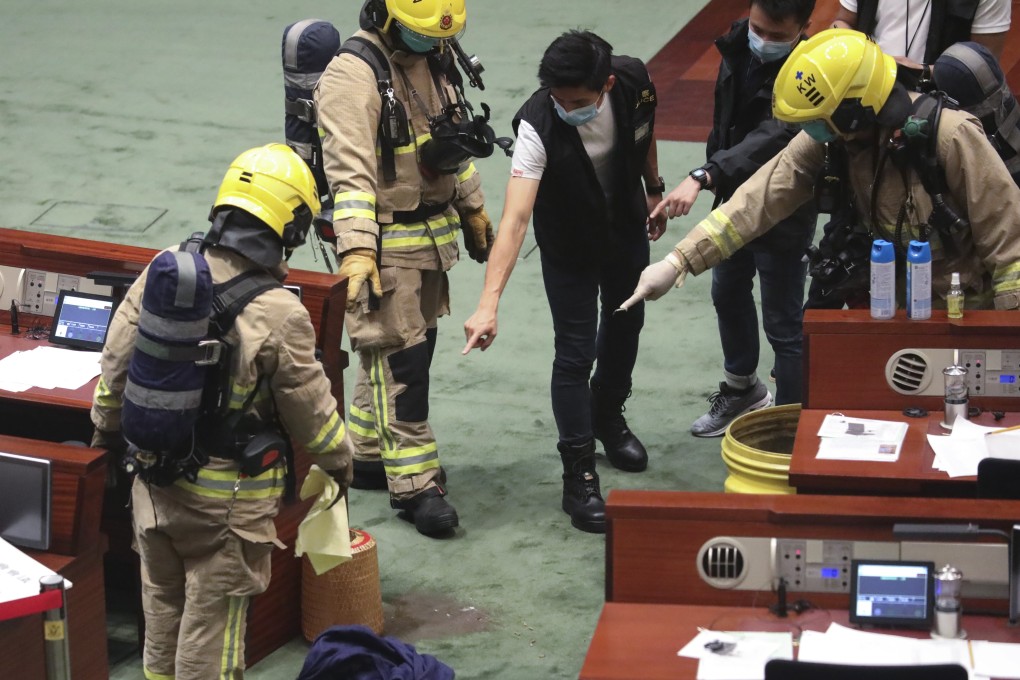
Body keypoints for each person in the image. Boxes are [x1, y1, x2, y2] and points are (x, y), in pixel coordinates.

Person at [90, 143, 355, 680]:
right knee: (213, 644)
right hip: (227, 512)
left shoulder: (165, 270)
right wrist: (341, 462)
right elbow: (312, 414)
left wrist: (104, 435)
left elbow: (114, 368)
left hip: (152, 488)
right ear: (290, 224)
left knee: (162, 617)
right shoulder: (281, 312)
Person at [623, 29, 1020, 317]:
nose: (809, 132)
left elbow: (1010, 248)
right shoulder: (833, 138)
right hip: (895, 304)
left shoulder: (950, 136)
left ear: (854, 111)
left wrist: (1002, 333)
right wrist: (678, 262)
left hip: (966, 309)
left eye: (815, 121)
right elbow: (759, 199)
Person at [462, 30, 665, 533]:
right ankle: (579, 476)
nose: (566, 107)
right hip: (568, 245)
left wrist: (654, 187)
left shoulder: (634, 81)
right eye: (559, 98)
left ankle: (608, 415)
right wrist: (488, 304)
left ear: (607, 84)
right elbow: (513, 220)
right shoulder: (536, 124)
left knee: (627, 323)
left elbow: (643, 131)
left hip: (624, 226)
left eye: (578, 101)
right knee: (574, 353)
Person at [315, 0, 496, 537]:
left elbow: (452, 140)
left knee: (407, 349)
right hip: (386, 241)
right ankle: (415, 484)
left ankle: (368, 451)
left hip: (431, 237)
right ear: (381, 15)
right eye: (418, 33)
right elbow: (348, 172)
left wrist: (472, 204)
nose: (431, 43)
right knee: (404, 366)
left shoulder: (437, 54)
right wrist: (357, 251)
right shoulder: (352, 75)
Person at [649, 0, 817, 437]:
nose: (763, 41)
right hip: (730, 196)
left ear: (805, 28)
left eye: (778, 36)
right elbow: (726, 122)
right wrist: (716, 175)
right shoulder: (738, 42)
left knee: (783, 322)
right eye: (759, 28)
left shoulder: (812, 74)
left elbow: (773, 136)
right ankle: (742, 389)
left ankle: (789, 424)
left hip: (784, 206)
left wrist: (703, 175)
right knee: (727, 292)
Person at [831, 0, 1011, 86]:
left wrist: (918, 72)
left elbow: (984, 67)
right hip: (863, 91)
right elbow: (843, 22)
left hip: (941, 107)